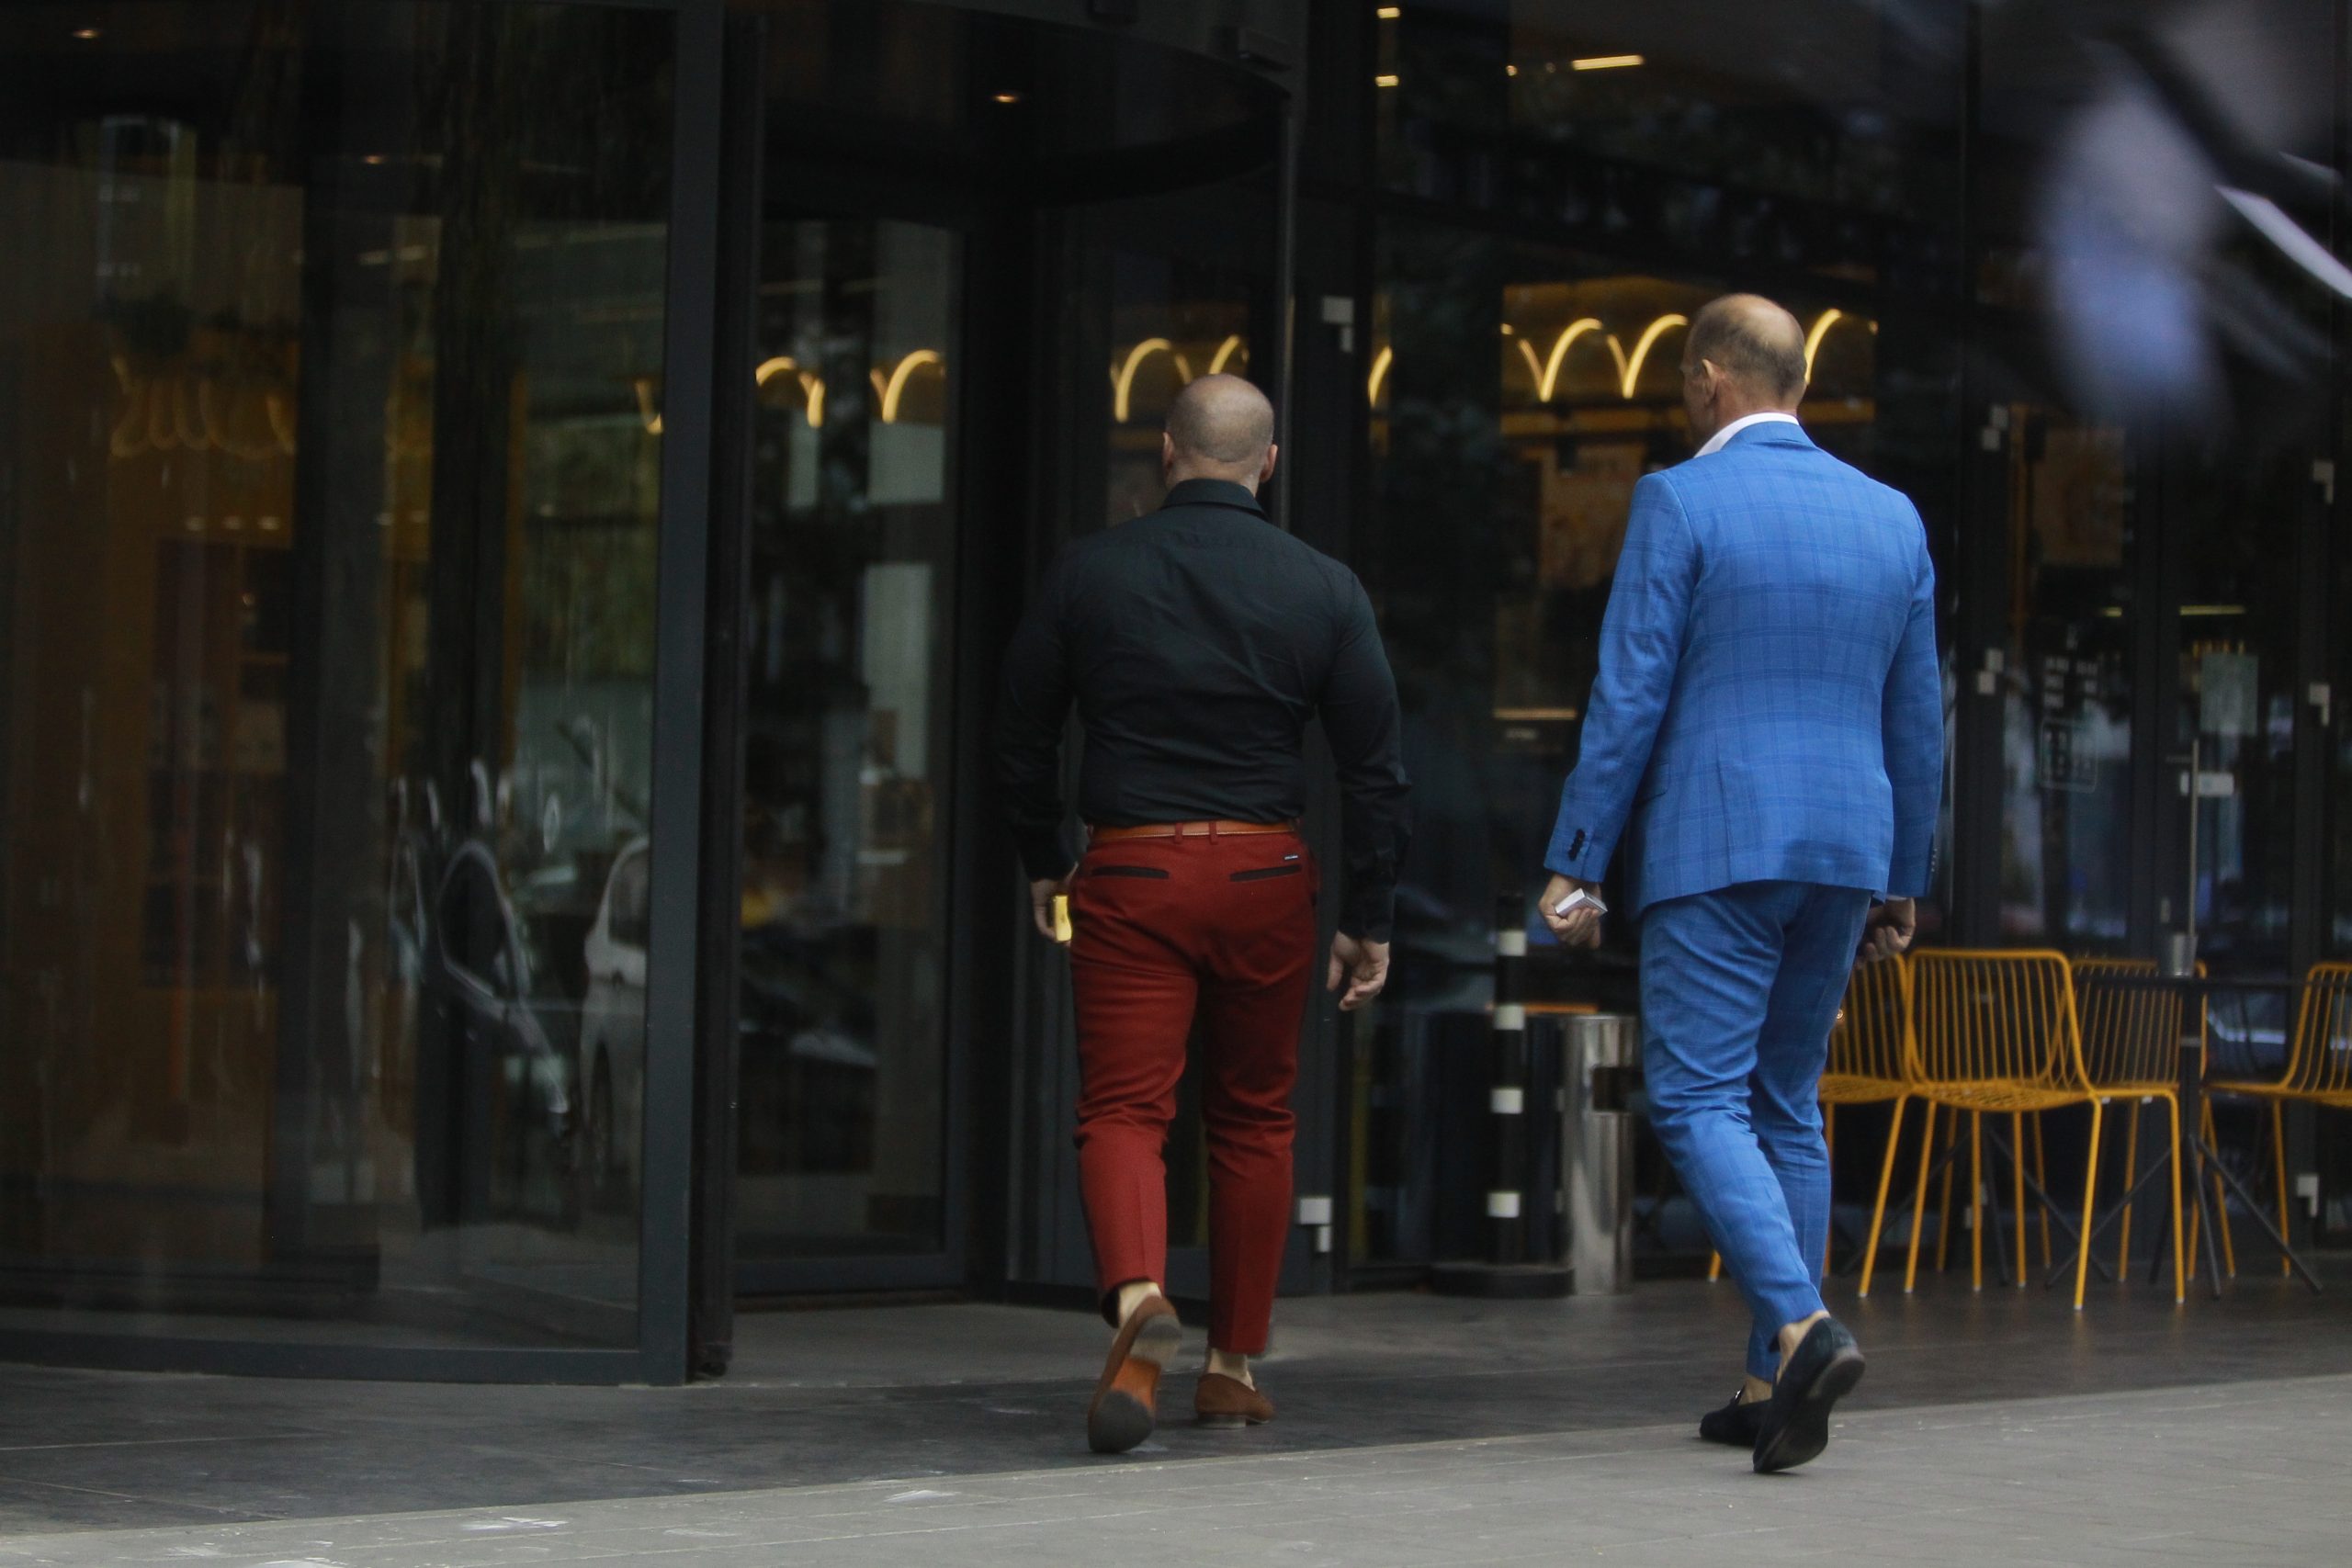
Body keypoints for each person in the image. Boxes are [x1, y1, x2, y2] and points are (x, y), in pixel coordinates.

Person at [1541, 295, 1941, 1473]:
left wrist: (1576, 859)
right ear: (1798, 383)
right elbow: (1917, 717)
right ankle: (1771, 1384)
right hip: (1845, 847)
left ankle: (1805, 1329)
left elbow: (1630, 692)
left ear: (1708, 380)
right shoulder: (1892, 517)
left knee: (1695, 1098)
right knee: (1785, 1101)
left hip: (1716, 838)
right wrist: (1902, 879)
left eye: (1682, 381)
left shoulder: (1679, 499)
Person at [996, 374, 1410, 1456]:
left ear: (1166, 452)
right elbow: (1374, 771)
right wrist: (1369, 913)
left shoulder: (1089, 571)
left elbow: (1020, 733)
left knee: (1124, 1111)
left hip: (1131, 872)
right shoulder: (1325, 586)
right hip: (1267, 875)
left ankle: (1139, 1295)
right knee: (1255, 1117)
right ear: (1267, 464)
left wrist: (1043, 858)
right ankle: (1230, 1368)